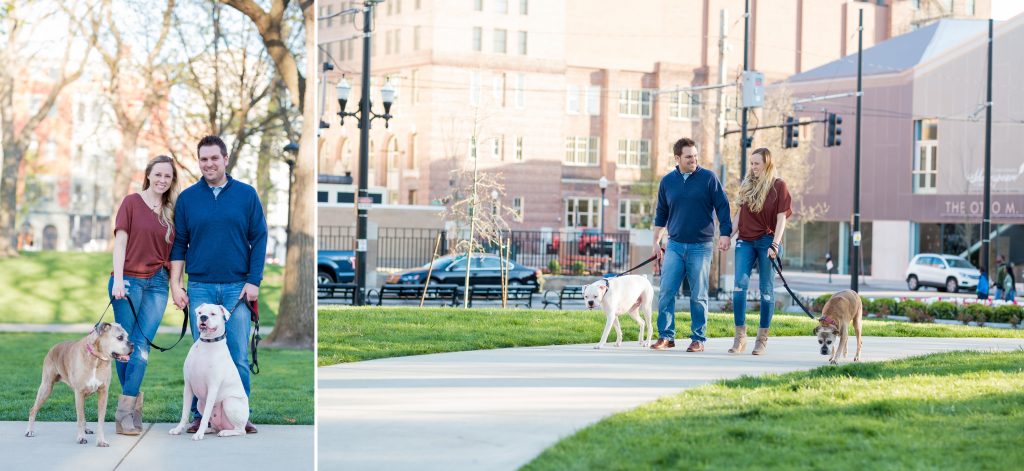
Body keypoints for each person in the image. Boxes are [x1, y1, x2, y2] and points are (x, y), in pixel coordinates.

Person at [170, 135, 268, 434]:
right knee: (201, 360)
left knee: (236, 355)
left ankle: (239, 415)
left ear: (225, 159)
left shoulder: (246, 195)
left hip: (236, 288)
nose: (209, 164)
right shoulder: (188, 198)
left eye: (214, 158)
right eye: (203, 159)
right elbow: (179, 244)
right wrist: (176, 284)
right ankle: (203, 416)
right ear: (198, 162)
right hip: (199, 286)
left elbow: (260, 237)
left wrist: (254, 281)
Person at [109, 155, 178, 435]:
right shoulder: (131, 202)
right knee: (124, 347)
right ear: (148, 174)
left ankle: (126, 411)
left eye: (168, 176)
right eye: (158, 174)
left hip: (158, 285)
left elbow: (176, 255)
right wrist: (118, 280)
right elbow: (120, 242)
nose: (162, 180)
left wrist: (177, 285)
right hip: (128, 282)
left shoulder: (172, 211)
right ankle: (129, 410)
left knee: (141, 346)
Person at [651, 138, 732, 352]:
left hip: (701, 245)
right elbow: (661, 214)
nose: (693, 159)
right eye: (688, 156)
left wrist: (725, 234)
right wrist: (656, 241)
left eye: (695, 155)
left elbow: (723, 207)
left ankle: (698, 339)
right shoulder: (667, 181)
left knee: (698, 295)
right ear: (677, 158)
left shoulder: (708, 178)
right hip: (675, 245)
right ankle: (666, 336)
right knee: (667, 291)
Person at [729, 148, 792, 355]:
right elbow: (740, 213)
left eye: (757, 163)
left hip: (767, 240)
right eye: (752, 163)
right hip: (745, 241)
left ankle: (762, 339)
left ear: (767, 164)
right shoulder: (747, 185)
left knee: (766, 291)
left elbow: (782, 217)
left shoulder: (778, 186)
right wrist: (727, 236)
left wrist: (775, 243)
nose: (753, 167)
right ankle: (740, 337)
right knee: (739, 287)